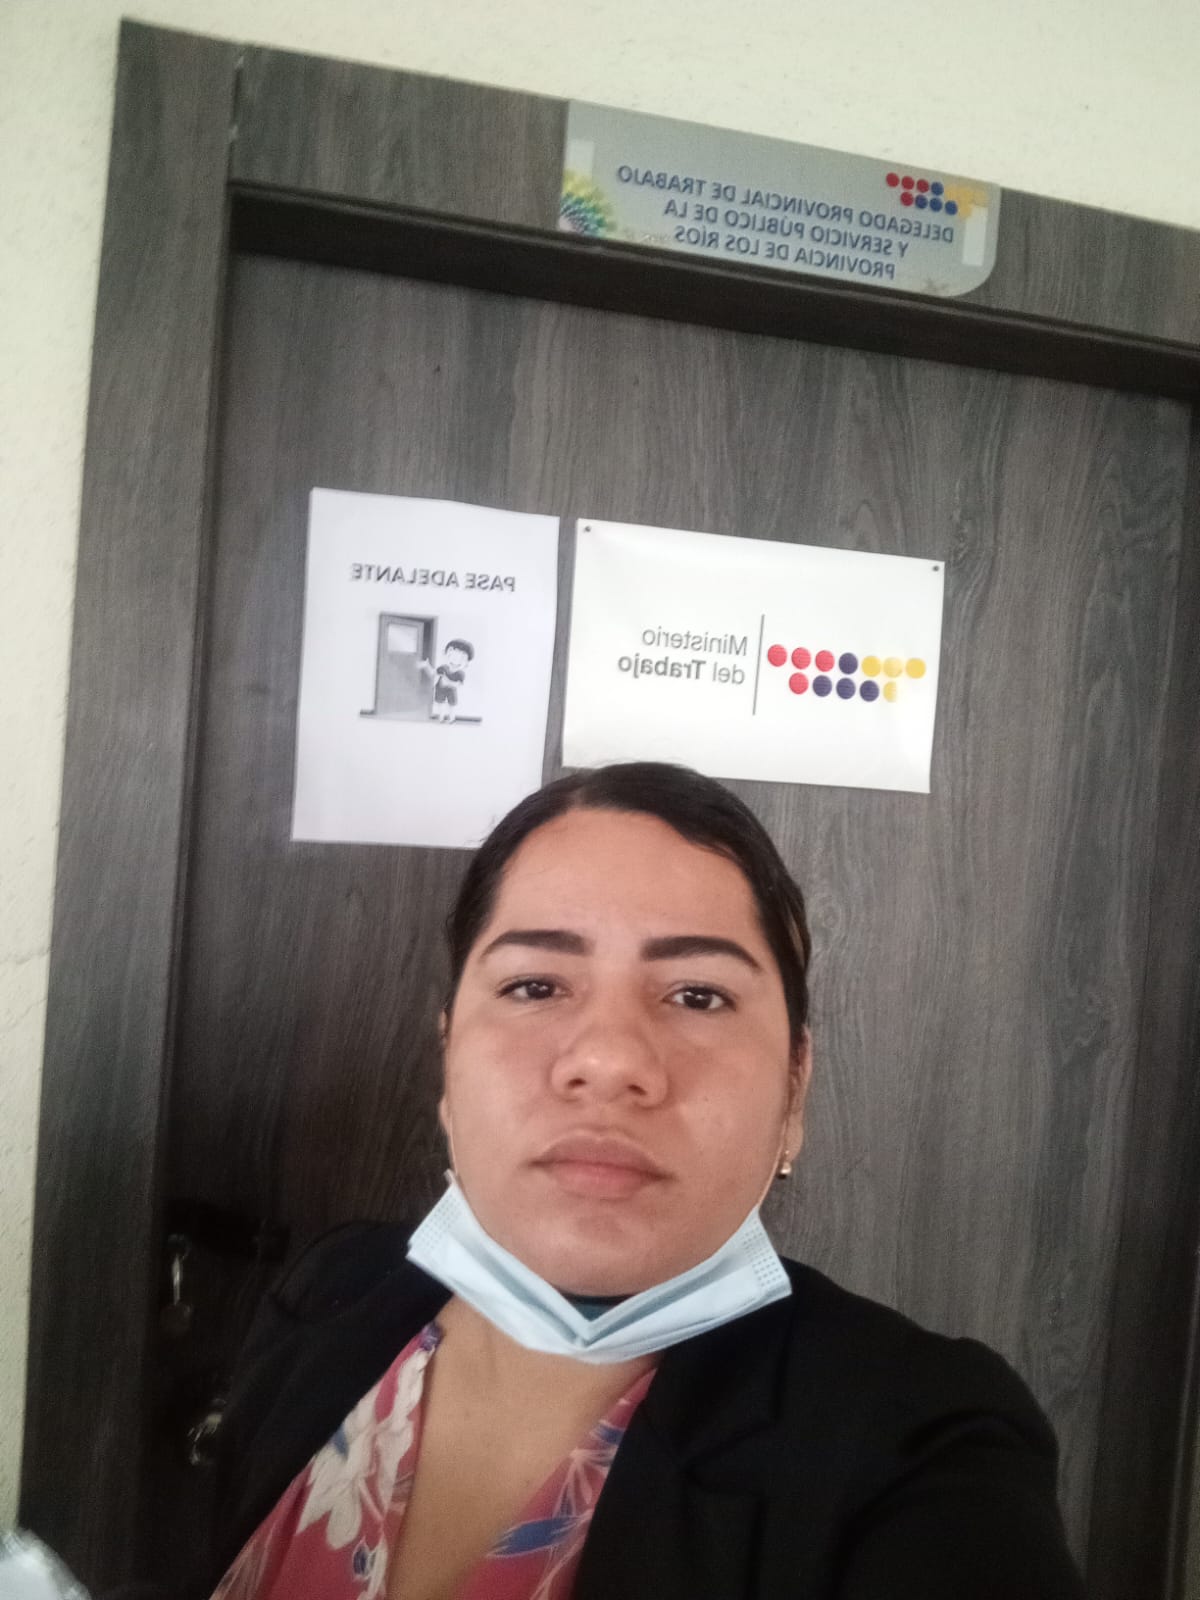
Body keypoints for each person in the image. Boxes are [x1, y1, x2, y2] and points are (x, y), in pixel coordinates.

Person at [210, 762, 1084, 1600]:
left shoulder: (921, 1445)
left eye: (698, 995)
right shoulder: (332, 1290)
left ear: (794, 1089)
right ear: (448, 1062)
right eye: (535, 985)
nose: (608, 1059)